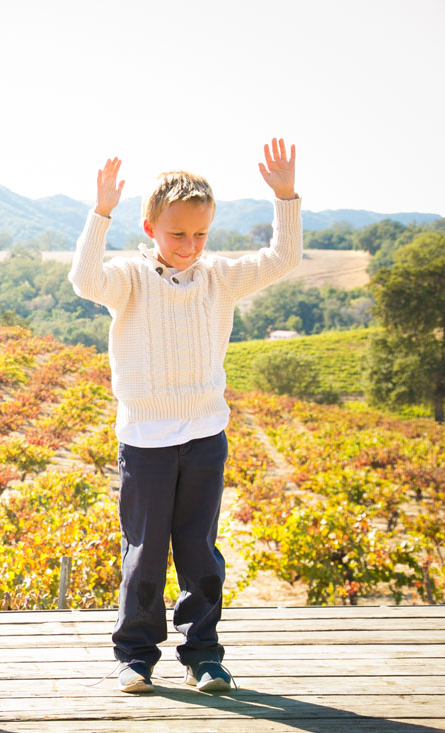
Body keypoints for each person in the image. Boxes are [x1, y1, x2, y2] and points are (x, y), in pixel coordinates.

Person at [68, 139, 301, 693]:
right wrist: (100, 212)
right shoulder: (129, 278)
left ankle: (203, 655)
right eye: (178, 234)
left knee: (200, 550)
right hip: (146, 440)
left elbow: (283, 259)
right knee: (144, 551)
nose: (190, 246)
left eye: (200, 235)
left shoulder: (220, 277)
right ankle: (135, 656)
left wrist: (286, 197)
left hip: (205, 436)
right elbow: (85, 280)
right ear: (150, 228)